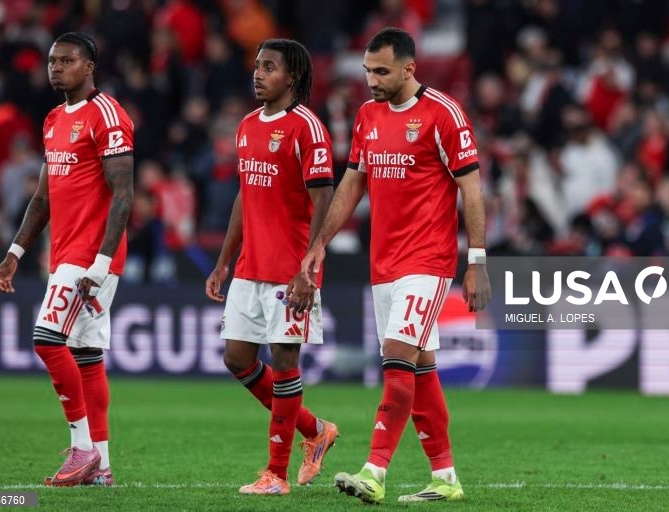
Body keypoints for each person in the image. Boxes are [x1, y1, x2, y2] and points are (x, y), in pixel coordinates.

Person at [301, 27, 491, 504]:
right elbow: (352, 184)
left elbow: (471, 188)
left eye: (381, 71)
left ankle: (374, 471)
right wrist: (320, 242)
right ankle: (445, 477)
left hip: (427, 260)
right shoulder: (368, 115)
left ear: (410, 68)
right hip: (383, 263)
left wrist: (477, 260)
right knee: (421, 367)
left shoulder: (443, 115)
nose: (371, 79)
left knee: (396, 360)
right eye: (367, 70)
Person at [0, 32, 134, 487]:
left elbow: (125, 194)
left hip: (90, 257)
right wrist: (15, 252)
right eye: (52, 61)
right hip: (64, 252)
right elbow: (42, 198)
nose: (56, 67)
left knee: (46, 339)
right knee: (87, 356)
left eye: (67, 60)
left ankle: (82, 449)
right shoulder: (54, 119)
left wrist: (101, 260)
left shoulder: (107, 115)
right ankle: (103, 467)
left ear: (89, 66)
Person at [205, 38, 339, 495]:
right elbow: (245, 195)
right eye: (257, 66)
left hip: (290, 268)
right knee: (237, 358)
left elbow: (324, 196)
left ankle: (276, 474)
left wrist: (308, 266)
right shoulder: (246, 126)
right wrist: (224, 261)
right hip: (249, 266)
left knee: (284, 360)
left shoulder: (307, 128)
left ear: (293, 77)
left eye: (269, 67)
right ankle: (315, 430)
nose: (258, 74)